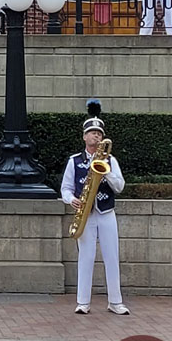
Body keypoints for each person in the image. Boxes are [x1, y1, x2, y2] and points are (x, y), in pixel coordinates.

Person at [60, 99, 129, 316]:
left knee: (111, 256)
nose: (96, 136)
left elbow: (120, 186)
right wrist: (71, 200)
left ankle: (115, 302)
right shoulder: (74, 161)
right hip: (86, 213)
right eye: (92, 133)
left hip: (106, 211)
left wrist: (106, 170)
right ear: (84, 137)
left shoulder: (111, 159)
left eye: (99, 133)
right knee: (86, 257)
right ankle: (83, 302)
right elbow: (65, 188)